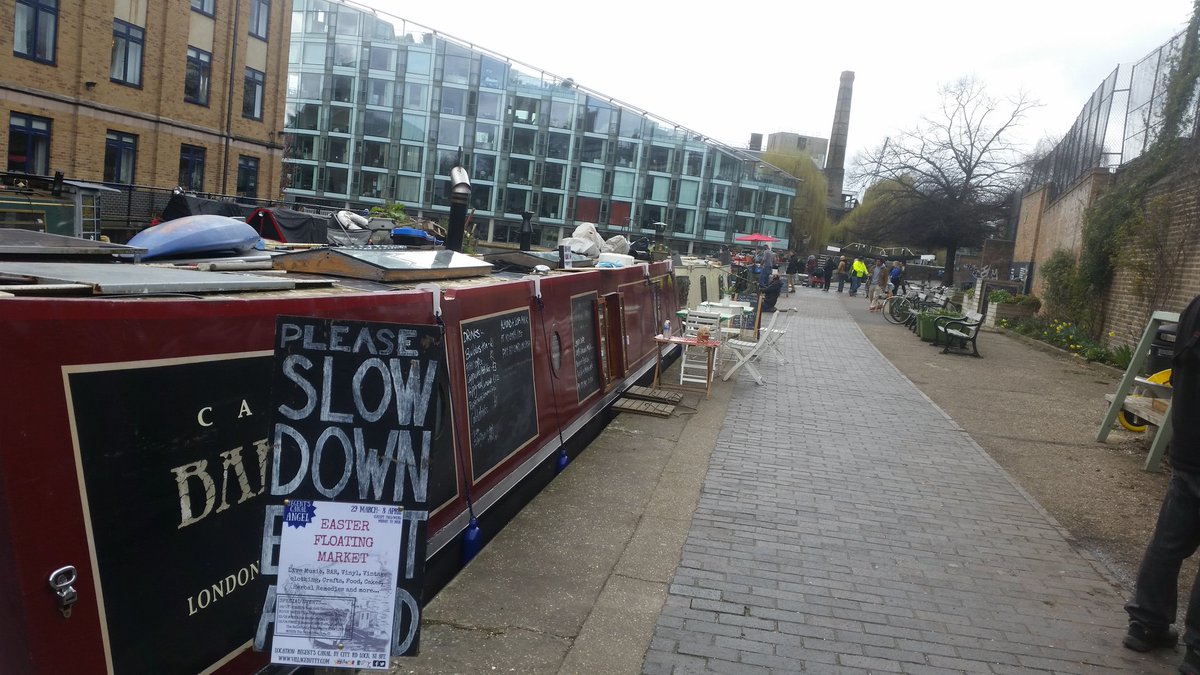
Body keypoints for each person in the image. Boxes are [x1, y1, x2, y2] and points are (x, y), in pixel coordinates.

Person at [1123, 294, 1200, 672]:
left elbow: (1179, 369)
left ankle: (1146, 624)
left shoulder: (1195, 307)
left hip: (1189, 445)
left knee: (1168, 542)